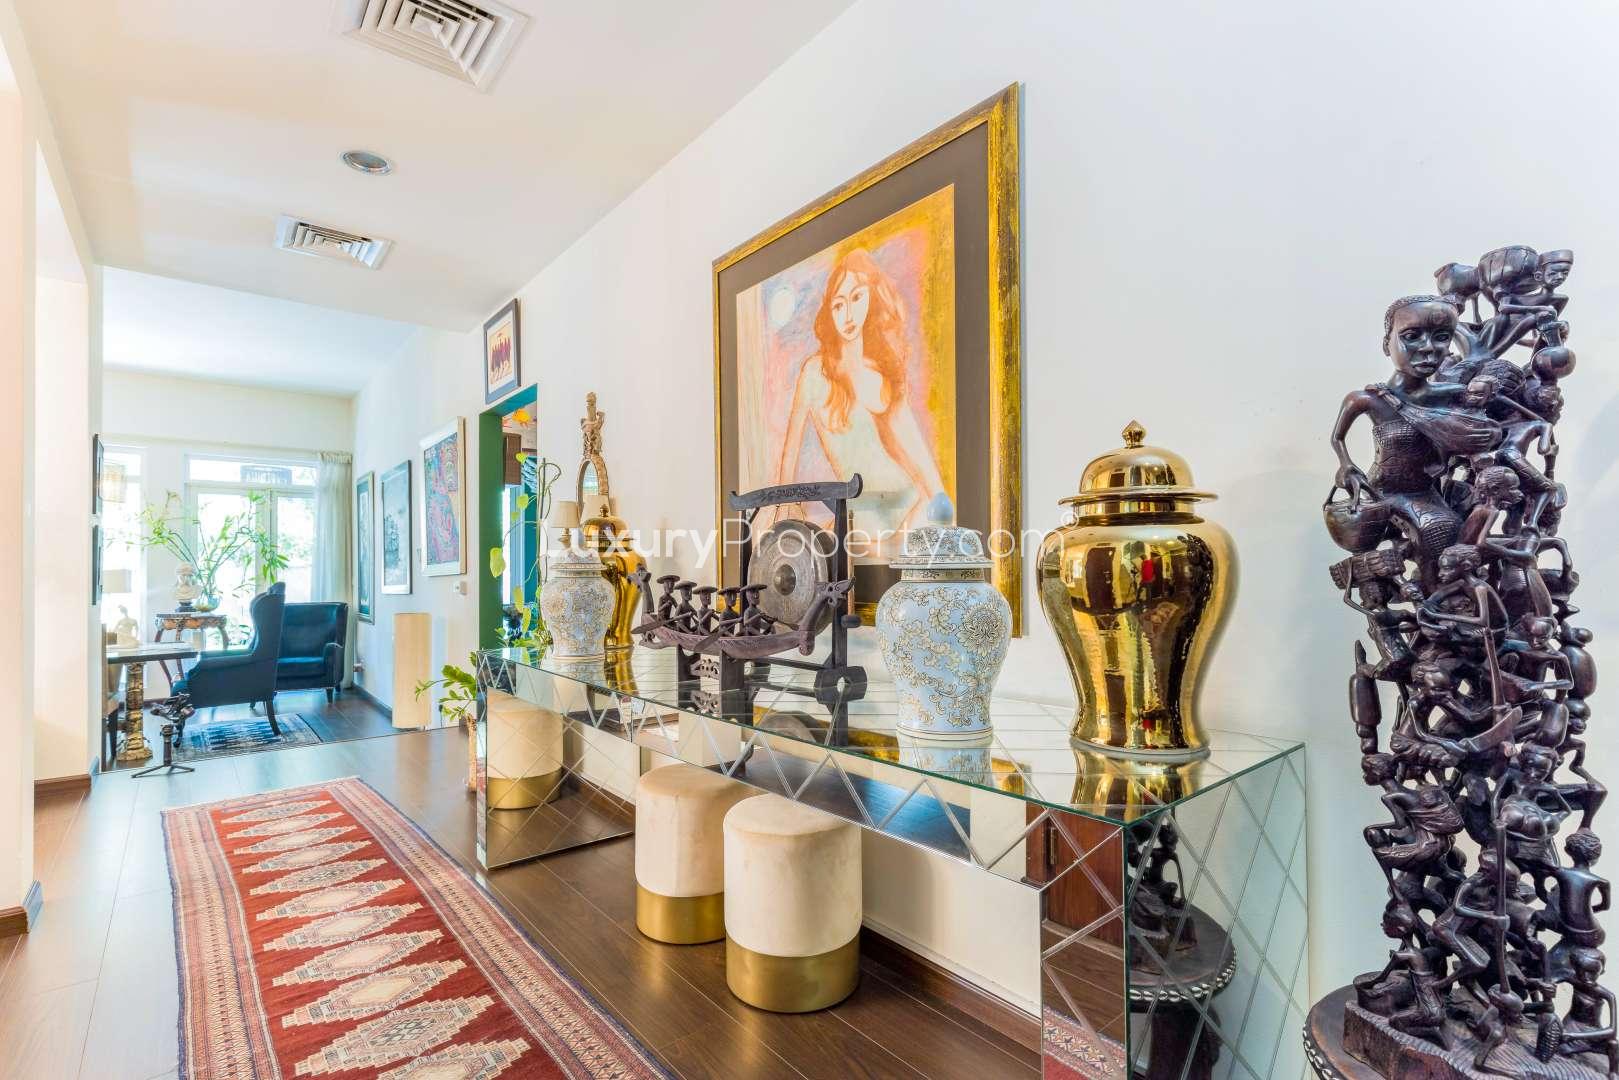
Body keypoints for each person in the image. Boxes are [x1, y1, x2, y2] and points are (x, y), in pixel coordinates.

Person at [769, 248, 951, 551]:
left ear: (870, 299)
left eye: (856, 298)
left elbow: (919, 456)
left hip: (907, 510)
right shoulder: (814, 372)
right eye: (839, 305)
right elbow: (788, 461)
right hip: (857, 523)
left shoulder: (880, 372)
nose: (849, 315)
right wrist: (780, 516)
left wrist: (942, 505)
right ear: (830, 311)